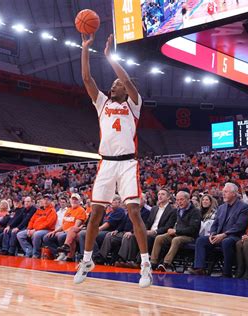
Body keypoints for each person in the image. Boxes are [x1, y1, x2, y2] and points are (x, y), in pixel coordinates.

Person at [76, 33, 152, 288]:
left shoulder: (134, 104)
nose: (113, 86)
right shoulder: (102, 103)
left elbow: (129, 81)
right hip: (106, 163)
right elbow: (87, 78)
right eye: (112, 84)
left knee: (133, 211)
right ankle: (86, 260)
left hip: (128, 163)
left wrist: (110, 57)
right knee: (95, 213)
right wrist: (85, 48)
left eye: (116, 84)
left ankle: (145, 265)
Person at [188, 183, 248, 278]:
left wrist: (224, 235)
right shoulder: (221, 207)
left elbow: (240, 226)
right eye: (223, 192)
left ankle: (227, 273)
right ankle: (199, 268)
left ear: (234, 193)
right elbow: (215, 223)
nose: (223, 194)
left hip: (234, 236)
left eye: (226, 192)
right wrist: (212, 234)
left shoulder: (244, 207)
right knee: (201, 240)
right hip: (218, 236)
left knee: (226, 242)